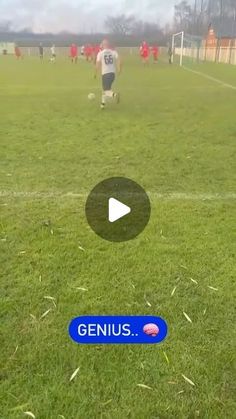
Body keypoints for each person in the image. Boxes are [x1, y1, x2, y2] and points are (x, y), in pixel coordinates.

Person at [95, 39, 121, 110]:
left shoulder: (100, 53)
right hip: (112, 74)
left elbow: (97, 64)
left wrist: (95, 73)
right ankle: (102, 104)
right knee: (105, 89)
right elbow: (118, 60)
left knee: (106, 91)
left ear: (103, 45)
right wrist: (119, 69)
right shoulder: (113, 52)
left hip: (105, 74)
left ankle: (115, 95)